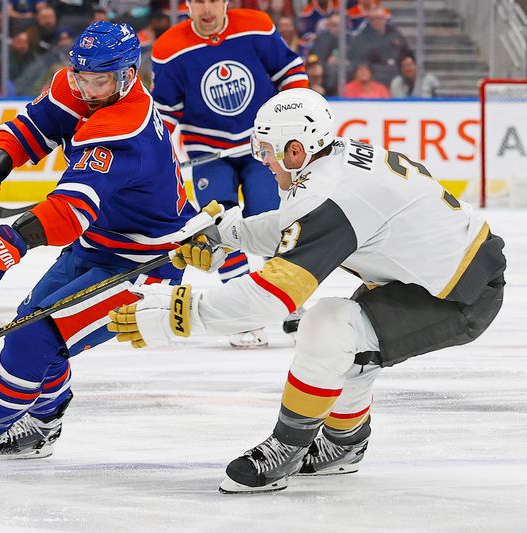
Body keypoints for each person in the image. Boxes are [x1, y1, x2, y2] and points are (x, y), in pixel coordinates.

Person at [107, 88, 506, 493]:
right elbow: (294, 227)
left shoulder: (330, 196)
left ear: (296, 150)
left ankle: (288, 447)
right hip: (444, 275)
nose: (262, 161)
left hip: (459, 294)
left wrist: (177, 314)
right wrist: (227, 234)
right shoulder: (332, 161)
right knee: (348, 342)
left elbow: (271, 298)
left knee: (329, 327)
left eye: (267, 150)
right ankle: (344, 444)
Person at [0, 21, 196, 474]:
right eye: (80, 77)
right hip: (98, 244)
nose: (86, 90)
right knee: (28, 327)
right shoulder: (79, 87)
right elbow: (30, 128)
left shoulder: (126, 128)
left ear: (128, 76)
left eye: (99, 80)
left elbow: (70, 210)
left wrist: (8, 239)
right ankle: (43, 424)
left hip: (147, 263)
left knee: (35, 335)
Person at [151, 0, 308, 348]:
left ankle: (290, 297)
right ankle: (243, 314)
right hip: (208, 151)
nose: (206, 9)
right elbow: (165, 111)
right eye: (198, 1)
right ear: (187, 6)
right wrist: (159, 153)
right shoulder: (169, 48)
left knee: (273, 221)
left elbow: (290, 71)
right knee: (218, 228)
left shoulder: (255, 25)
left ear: (224, 3)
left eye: (213, 0)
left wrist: (293, 118)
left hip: (262, 147)